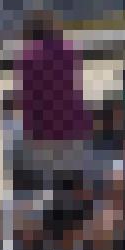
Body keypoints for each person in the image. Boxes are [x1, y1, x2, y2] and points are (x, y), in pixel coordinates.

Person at [17, 13, 93, 191]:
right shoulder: (68, 49)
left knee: (50, 184)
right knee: (75, 179)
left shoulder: (28, 55)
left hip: (43, 128)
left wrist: (28, 129)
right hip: (72, 122)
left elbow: (26, 96)